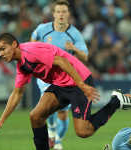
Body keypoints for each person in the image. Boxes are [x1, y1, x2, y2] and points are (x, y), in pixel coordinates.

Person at [0, 33, 131, 150]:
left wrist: (81, 85)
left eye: (3, 49)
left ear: (14, 44)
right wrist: (1, 122)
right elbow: (17, 93)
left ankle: (116, 102)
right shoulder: (21, 64)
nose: (0, 53)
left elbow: (62, 61)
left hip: (78, 79)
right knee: (35, 116)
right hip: (60, 85)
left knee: (83, 131)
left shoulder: (31, 51)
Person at [30, 0, 88, 149]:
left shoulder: (74, 34)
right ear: (54, 14)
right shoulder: (43, 29)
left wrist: (74, 49)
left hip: (64, 78)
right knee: (47, 106)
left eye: (64, 11)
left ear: (68, 14)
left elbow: (85, 57)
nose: (61, 14)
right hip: (46, 75)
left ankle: (57, 139)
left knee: (62, 114)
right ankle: (52, 132)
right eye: (58, 11)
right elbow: (32, 42)